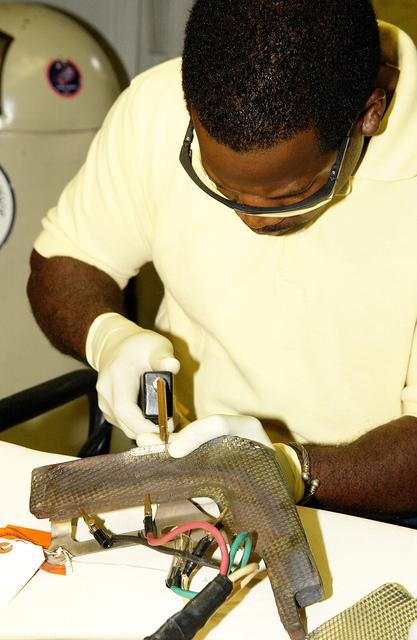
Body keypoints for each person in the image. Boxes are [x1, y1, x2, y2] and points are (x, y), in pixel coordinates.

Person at [27, 0, 417, 521]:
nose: (250, 220)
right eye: (219, 185)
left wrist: (287, 471)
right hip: (190, 485)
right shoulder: (157, 105)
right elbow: (66, 259)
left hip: (384, 515)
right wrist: (107, 336)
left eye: (289, 195)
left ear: (369, 112)